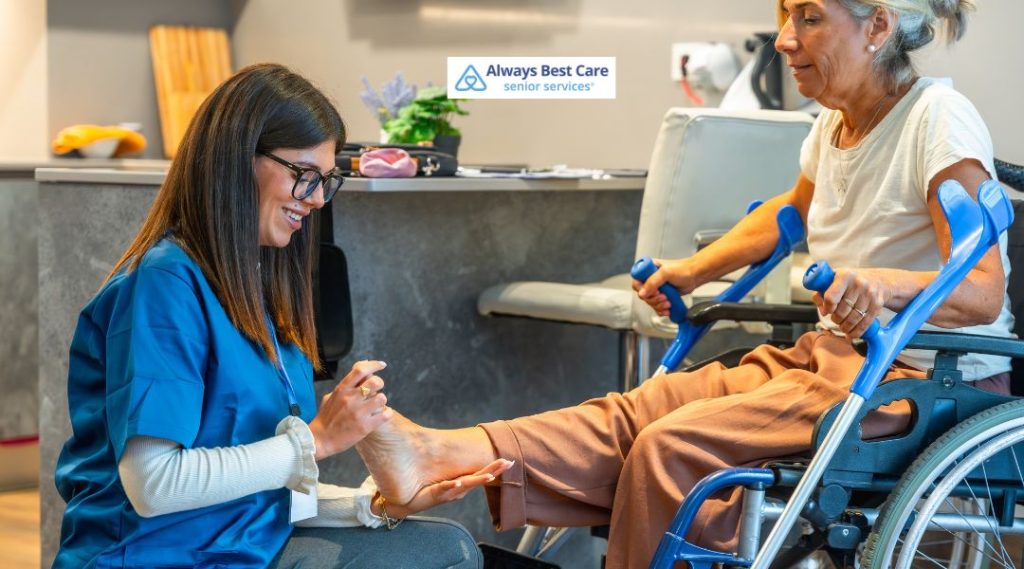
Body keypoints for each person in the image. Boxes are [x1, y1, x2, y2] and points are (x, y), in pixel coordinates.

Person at [352, 1, 1017, 567]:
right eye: (785, 14)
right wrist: (691, 271)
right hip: (830, 359)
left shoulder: (938, 117)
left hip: (919, 377)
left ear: (876, 27)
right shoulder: (833, 126)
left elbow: (982, 288)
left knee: (671, 446)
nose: (786, 37)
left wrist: (883, 284)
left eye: (809, 18)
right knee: (640, 410)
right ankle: (435, 452)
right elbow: (788, 216)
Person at [53, 63, 509, 569]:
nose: (316, 199)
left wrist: (373, 505)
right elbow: (155, 484)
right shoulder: (164, 286)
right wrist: (314, 439)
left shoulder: (253, 289)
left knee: (443, 543)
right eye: (304, 176)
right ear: (234, 161)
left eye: (325, 181)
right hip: (150, 556)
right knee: (444, 555)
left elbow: (255, 490)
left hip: (238, 547)